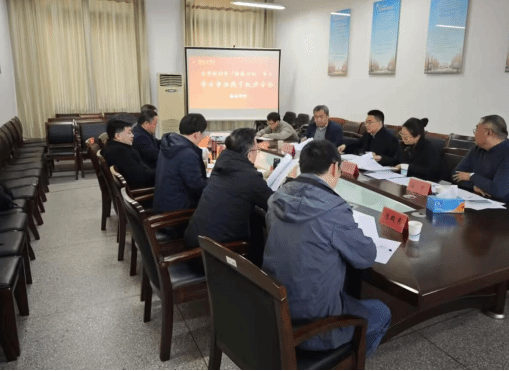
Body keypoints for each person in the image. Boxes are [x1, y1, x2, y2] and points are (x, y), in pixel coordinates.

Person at [262, 140, 391, 357]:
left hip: (275, 308)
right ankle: (347, 362)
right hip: (314, 326)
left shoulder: (276, 197)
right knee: (381, 311)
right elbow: (366, 256)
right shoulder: (333, 209)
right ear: (333, 168)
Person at [185, 128, 274, 264]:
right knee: (259, 225)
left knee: (255, 219)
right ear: (250, 154)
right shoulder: (249, 177)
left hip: (195, 243)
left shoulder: (222, 164)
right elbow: (273, 204)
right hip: (210, 258)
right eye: (256, 150)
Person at [453, 115, 509, 206]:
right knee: (446, 210)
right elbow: (455, 174)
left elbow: (497, 191)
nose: (474, 134)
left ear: (488, 133)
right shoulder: (477, 149)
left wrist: (471, 176)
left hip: (507, 209)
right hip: (479, 201)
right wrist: (474, 186)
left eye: (476, 130)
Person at [153, 114, 208, 213]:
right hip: (177, 210)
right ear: (196, 135)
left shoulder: (170, 145)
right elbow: (197, 187)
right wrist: (215, 181)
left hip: (164, 203)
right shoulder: (187, 153)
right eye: (202, 134)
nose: (202, 137)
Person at [379, 118, 441, 182]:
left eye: (406, 137)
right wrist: (380, 158)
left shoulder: (430, 148)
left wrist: (406, 166)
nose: (403, 138)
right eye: (402, 134)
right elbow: (396, 161)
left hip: (421, 182)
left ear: (418, 136)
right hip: (403, 180)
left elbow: (429, 171)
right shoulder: (404, 145)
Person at [102, 117, 155, 189]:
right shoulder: (120, 152)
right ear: (118, 136)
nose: (133, 135)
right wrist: (161, 173)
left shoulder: (112, 147)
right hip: (141, 190)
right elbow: (141, 177)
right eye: (129, 133)